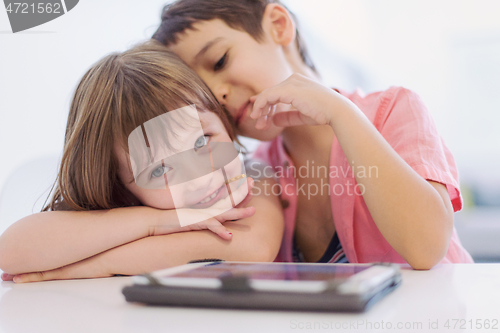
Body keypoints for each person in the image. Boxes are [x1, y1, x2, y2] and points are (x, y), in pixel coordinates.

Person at [152, 0, 474, 268]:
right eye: (202, 92)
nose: (217, 94)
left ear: (278, 25)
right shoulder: (259, 172)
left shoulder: (395, 110)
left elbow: (426, 247)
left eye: (220, 60)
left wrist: (340, 113)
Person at [0, 41, 284, 283]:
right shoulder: (136, 211)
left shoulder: (254, 174)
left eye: (201, 141)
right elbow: (10, 253)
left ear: (224, 123)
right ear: (118, 184)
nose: (199, 176)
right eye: (160, 169)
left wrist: (98, 265)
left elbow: (253, 247)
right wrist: (157, 221)